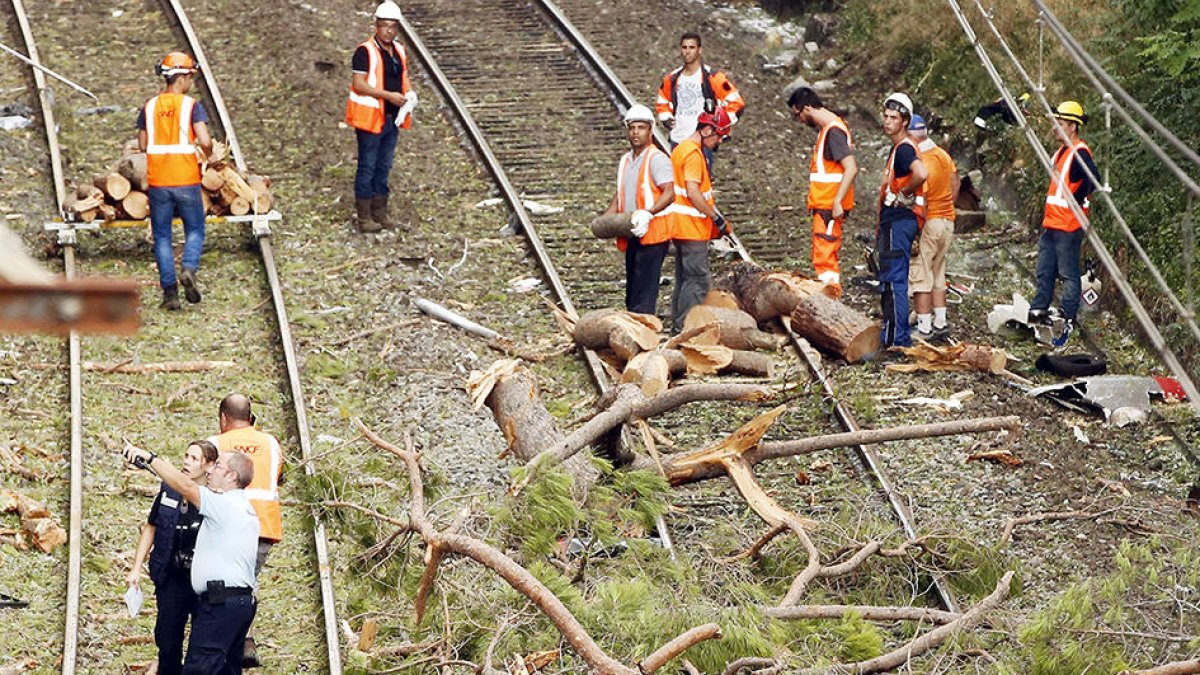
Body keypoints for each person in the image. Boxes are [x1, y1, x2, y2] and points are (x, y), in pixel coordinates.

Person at [122, 445, 259, 674]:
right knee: (226, 668)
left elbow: (185, 486)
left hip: (221, 603)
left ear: (231, 476)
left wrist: (150, 458)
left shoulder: (223, 504)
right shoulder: (243, 507)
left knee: (200, 667)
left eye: (217, 466)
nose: (211, 471)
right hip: (238, 602)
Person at [126, 440, 218, 675]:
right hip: (171, 578)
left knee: (201, 645)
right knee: (167, 642)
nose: (187, 462)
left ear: (209, 466)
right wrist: (136, 567)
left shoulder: (216, 498)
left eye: (194, 458)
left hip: (203, 582)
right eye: (186, 456)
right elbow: (151, 527)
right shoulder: (169, 490)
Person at [207, 393, 284, 668]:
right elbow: (278, 476)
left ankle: (230, 638)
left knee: (224, 580)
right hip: (263, 525)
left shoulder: (216, 443)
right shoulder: (270, 443)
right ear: (250, 417)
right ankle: (244, 639)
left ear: (224, 418)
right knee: (247, 579)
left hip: (228, 524)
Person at [139, 52, 213, 311]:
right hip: (186, 179)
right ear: (182, 77)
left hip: (158, 181)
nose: (191, 81)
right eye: (190, 76)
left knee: (161, 236)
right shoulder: (192, 106)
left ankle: (170, 295)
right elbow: (204, 140)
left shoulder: (149, 107)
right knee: (194, 229)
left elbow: (142, 144)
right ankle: (189, 268)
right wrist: (207, 151)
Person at [1029, 101, 1098, 347]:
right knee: (1045, 269)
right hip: (1053, 223)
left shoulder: (1080, 152)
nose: (1055, 127)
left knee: (1069, 274)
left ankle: (1065, 317)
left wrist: (1077, 201)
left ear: (1072, 126)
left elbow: (1093, 179)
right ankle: (1039, 310)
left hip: (1068, 225)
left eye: (1059, 123)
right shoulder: (1062, 152)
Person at [346, 1, 413, 233]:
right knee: (367, 166)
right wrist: (388, 96)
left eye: (393, 27)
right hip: (370, 119)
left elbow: (403, 79)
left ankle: (380, 213)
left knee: (384, 166)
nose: (389, 31)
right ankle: (364, 217)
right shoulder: (364, 52)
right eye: (384, 26)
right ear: (376, 25)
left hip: (391, 119)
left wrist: (408, 96)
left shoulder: (400, 51)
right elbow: (359, 84)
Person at [602, 104, 674, 315]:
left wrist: (648, 212)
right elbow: (621, 193)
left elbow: (670, 192)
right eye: (632, 128)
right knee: (633, 289)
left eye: (641, 127)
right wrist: (607, 220)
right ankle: (634, 325)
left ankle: (644, 329)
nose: (636, 132)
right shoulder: (626, 160)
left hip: (653, 232)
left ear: (650, 130)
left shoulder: (657, 159)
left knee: (645, 290)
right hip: (631, 231)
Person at [665, 108, 732, 333]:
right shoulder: (693, 153)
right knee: (698, 280)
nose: (719, 141)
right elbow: (693, 192)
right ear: (706, 130)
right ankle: (687, 331)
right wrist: (716, 217)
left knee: (684, 279)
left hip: (681, 226)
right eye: (719, 135)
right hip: (691, 228)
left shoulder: (681, 149)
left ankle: (678, 327)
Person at [788, 86, 858, 298]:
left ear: (806, 108)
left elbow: (851, 168)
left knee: (825, 258)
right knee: (824, 256)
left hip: (829, 206)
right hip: (826, 205)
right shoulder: (831, 129)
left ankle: (830, 304)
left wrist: (837, 201)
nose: (799, 120)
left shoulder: (832, 131)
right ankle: (828, 301)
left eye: (797, 114)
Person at [876, 92, 927, 350]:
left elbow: (921, 173)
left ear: (905, 121)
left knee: (895, 279)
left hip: (900, 220)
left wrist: (904, 193)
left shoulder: (905, 149)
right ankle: (891, 334)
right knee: (889, 277)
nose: (887, 122)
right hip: (895, 221)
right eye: (886, 116)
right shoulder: (899, 148)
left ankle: (897, 340)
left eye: (893, 118)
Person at [655, 32, 744, 170]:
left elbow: (737, 103)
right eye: (684, 47)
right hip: (677, 139)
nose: (687, 51)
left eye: (691, 47)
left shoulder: (712, 77)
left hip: (702, 142)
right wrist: (665, 117)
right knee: (678, 185)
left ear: (699, 50)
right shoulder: (672, 78)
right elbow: (662, 99)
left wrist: (718, 125)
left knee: (699, 185)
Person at [907, 114, 958, 342]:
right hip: (948, 220)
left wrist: (917, 229)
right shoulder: (943, 155)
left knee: (921, 274)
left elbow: (923, 199)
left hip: (931, 221)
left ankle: (924, 327)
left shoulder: (922, 161)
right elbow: (955, 183)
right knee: (938, 273)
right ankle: (941, 322)